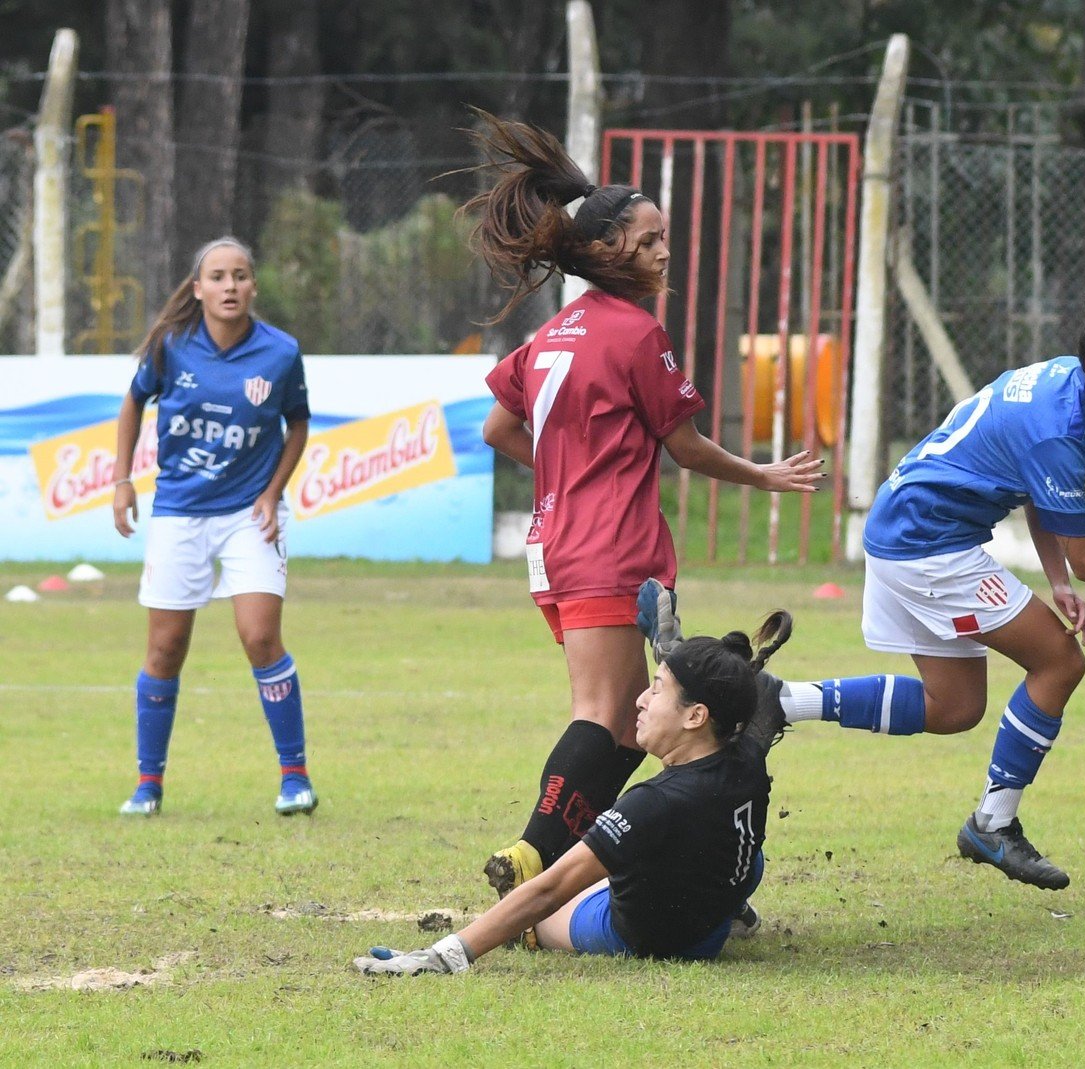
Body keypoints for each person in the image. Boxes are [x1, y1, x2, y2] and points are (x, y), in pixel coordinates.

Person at [733, 275, 1085, 892]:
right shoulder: (1059, 427)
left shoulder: (1060, 383)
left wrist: (1055, 582)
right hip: (930, 544)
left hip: (905, 528)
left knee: (953, 707)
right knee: (1060, 662)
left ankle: (781, 699)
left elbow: (1037, 494)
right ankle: (993, 824)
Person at [464, 115, 824, 899]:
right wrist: (764, 475)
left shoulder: (554, 331)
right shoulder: (635, 334)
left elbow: (497, 427)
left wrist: (567, 468)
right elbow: (687, 446)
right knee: (611, 717)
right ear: (607, 252)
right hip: (608, 546)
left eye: (665, 236)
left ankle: (554, 865)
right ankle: (532, 859)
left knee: (625, 719)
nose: (666, 250)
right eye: (651, 238)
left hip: (552, 544)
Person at [355, 612, 791, 972]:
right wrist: (680, 657)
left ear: (696, 716)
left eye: (656, 689)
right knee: (741, 854)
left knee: (536, 912)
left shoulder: (653, 803)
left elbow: (551, 888)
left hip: (649, 936)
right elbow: (762, 690)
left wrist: (443, 956)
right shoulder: (747, 748)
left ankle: (499, 938)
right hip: (712, 916)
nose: (639, 699)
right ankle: (735, 909)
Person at [111, 236, 318, 817]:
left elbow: (297, 425)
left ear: (254, 286)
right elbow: (132, 404)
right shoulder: (171, 347)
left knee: (258, 636)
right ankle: (148, 785)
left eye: (241, 276)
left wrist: (273, 494)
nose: (230, 286)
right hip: (179, 511)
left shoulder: (280, 352)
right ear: (198, 288)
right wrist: (121, 480)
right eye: (219, 277)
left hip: (250, 514)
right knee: (166, 647)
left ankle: (295, 778)